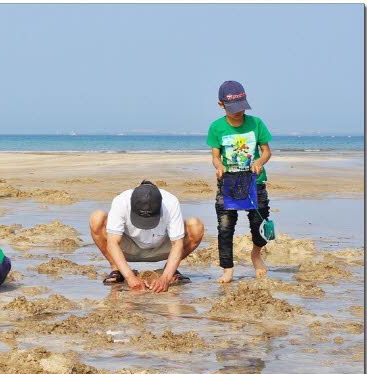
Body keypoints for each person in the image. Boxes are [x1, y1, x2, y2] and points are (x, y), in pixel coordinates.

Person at [207, 80, 272, 283]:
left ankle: (256, 254)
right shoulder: (216, 127)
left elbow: (266, 151)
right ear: (221, 105)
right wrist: (219, 167)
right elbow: (216, 157)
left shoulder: (256, 123)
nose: (238, 112)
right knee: (225, 227)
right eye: (233, 108)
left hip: (255, 182)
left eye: (241, 107)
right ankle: (227, 268)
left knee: (259, 223)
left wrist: (260, 162)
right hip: (229, 183)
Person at [89, 180, 205, 293]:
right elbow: (112, 243)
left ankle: (170, 270)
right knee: (97, 218)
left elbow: (177, 244)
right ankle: (117, 270)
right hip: (128, 248)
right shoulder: (121, 201)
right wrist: (130, 277)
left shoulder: (170, 202)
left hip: (162, 248)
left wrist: (165, 278)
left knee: (195, 226)